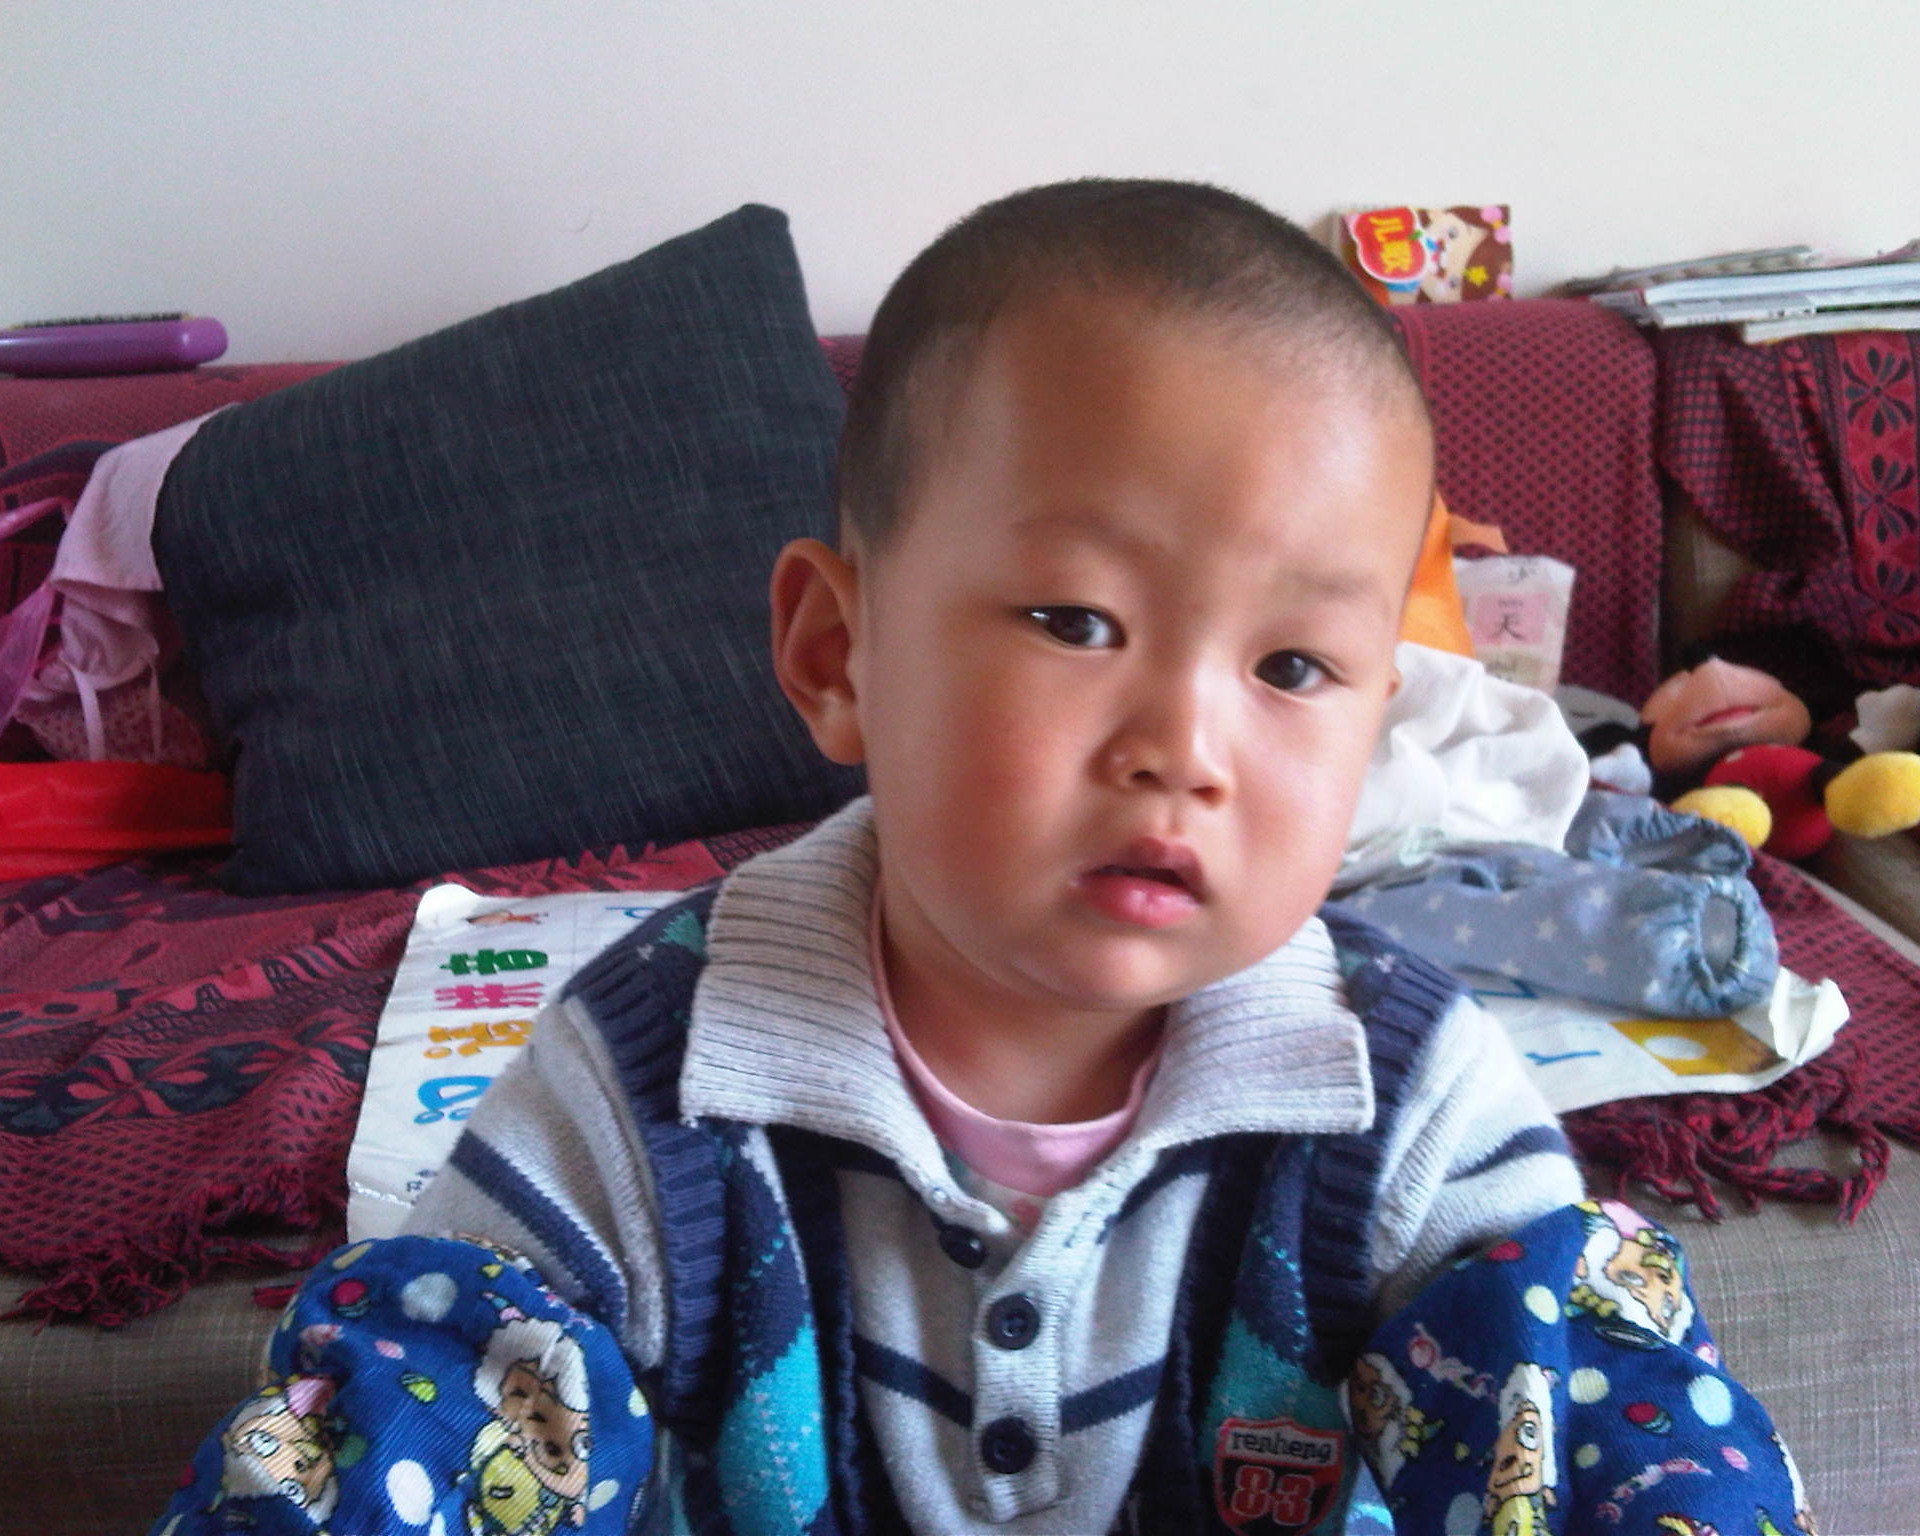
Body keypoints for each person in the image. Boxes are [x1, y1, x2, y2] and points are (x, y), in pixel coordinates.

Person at [152, 181, 1811, 1536]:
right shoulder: (650, 1082)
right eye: (1077, 621)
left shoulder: (1409, 1092)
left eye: (1294, 666)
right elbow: (433, 1402)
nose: (1185, 745)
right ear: (837, 654)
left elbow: (1587, 1414)